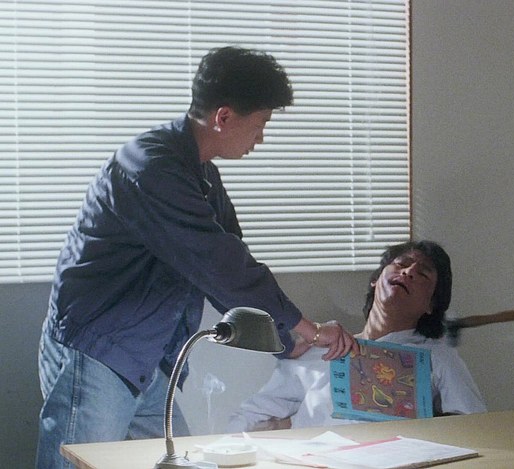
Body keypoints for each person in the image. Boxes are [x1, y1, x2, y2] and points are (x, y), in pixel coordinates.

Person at [37, 46, 357, 468]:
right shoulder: (150, 167)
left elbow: (230, 268)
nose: (261, 137)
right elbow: (223, 268)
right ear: (224, 117)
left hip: (146, 359)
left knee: (178, 461)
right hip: (100, 352)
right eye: (260, 124)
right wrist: (309, 330)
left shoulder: (202, 174)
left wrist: (286, 340)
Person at [227, 240, 487, 431]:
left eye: (423, 274)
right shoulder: (318, 350)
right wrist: (282, 427)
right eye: (402, 264)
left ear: (431, 304)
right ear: (376, 279)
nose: (408, 272)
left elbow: (474, 426)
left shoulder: (437, 357)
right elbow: (248, 420)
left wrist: (425, 419)